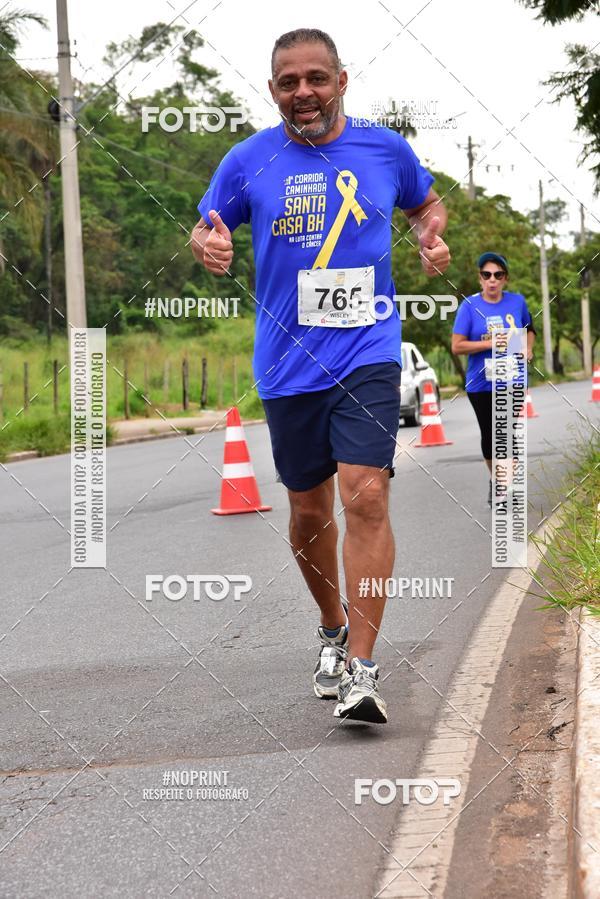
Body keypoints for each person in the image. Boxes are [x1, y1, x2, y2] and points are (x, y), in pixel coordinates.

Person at [191, 28, 450, 724]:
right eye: (287, 82)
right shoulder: (248, 160)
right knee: (309, 513)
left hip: (368, 348)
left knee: (365, 494)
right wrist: (210, 243)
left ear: (341, 79)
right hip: (286, 362)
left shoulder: (383, 148)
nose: (302, 92)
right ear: (273, 89)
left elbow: (425, 202)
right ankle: (332, 628)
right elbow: (206, 224)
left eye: (315, 78)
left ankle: (363, 669)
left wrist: (429, 233)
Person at [451, 252, 535, 507]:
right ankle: (497, 481)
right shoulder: (469, 306)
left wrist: (528, 349)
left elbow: (529, 331)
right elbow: (457, 346)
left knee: (507, 432)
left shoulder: (517, 302)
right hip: (481, 383)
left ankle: (506, 485)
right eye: (487, 275)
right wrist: (489, 343)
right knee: (490, 435)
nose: (492, 280)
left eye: (498, 275)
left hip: (513, 379)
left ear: (505, 279)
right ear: (480, 279)